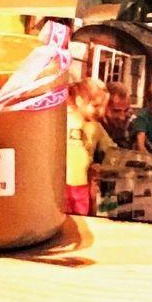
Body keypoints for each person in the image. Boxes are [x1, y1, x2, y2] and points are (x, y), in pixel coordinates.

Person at [64, 76, 111, 215]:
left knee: (81, 218)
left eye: (102, 107)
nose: (100, 111)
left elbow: (111, 149)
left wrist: (102, 165)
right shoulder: (64, 120)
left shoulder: (97, 127)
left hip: (82, 185)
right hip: (60, 184)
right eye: (95, 106)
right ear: (79, 101)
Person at [101, 83, 136, 149]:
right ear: (103, 106)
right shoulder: (95, 126)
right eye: (116, 111)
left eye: (126, 110)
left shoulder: (133, 123)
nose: (122, 117)